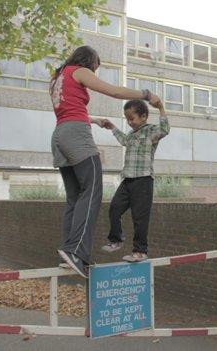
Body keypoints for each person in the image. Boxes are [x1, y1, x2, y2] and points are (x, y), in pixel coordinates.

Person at [49, 45, 159, 278]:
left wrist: (95, 119)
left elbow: (67, 110)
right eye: (95, 68)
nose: (95, 73)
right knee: (92, 191)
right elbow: (115, 92)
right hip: (76, 136)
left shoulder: (58, 77)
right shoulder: (78, 70)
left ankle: (68, 255)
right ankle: (77, 252)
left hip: (59, 135)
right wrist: (145, 95)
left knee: (75, 197)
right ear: (88, 61)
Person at [100, 99, 169, 262]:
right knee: (114, 208)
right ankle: (116, 240)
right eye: (127, 119)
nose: (129, 122)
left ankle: (140, 251)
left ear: (143, 116)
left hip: (143, 180)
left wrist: (160, 108)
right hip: (128, 179)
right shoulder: (131, 134)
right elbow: (124, 140)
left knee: (140, 218)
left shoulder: (151, 131)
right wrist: (113, 128)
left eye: (132, 118)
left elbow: (165, 129)